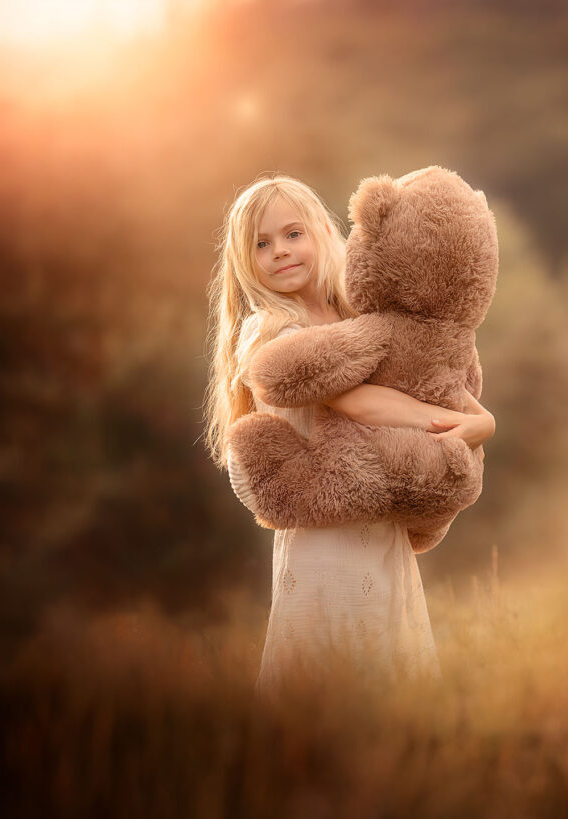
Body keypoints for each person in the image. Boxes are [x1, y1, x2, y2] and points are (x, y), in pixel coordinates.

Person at [202, 173, 495, 695]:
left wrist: (484, 421)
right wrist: (446, 424)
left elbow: (434, 379)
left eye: (293, 234)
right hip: (326, 536)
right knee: (333, 680)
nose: (280, 252)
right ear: (246, 261)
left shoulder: (357, 317)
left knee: (394, 680)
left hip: (382, 527)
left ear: (321, 230)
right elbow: (360, 403)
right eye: (262, 245)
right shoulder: (272, 330)